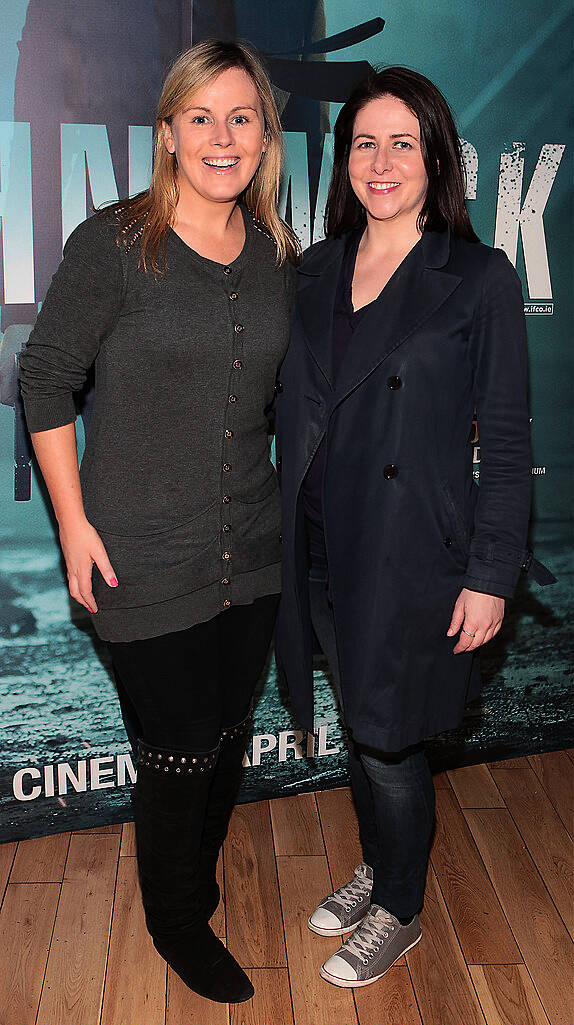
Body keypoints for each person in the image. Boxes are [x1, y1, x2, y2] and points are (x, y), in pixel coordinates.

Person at [19, 39, 299, 1004]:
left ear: (266, 134)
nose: (221, 137)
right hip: (138, 553)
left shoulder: (273, 254)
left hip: (252, 552)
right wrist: (73, 526)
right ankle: (175, 916)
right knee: (179, 743)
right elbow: (45, 378)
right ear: (169, 132)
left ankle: (195, 879)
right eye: (200, 117)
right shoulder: (115, 243)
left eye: (242, 117)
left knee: (223, 732)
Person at [274, 66, 553, 990]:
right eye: (363, 142)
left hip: (412, 555)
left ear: (436, 156)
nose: (381, 161)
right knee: (362, 726)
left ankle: (399, 905)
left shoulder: (476, 276)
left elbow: (507, 444)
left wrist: (490, 572)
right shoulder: (315, 267)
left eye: (403, 141)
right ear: (342, 159)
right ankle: (380, 864)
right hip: (320, 550)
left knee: (392, 743)